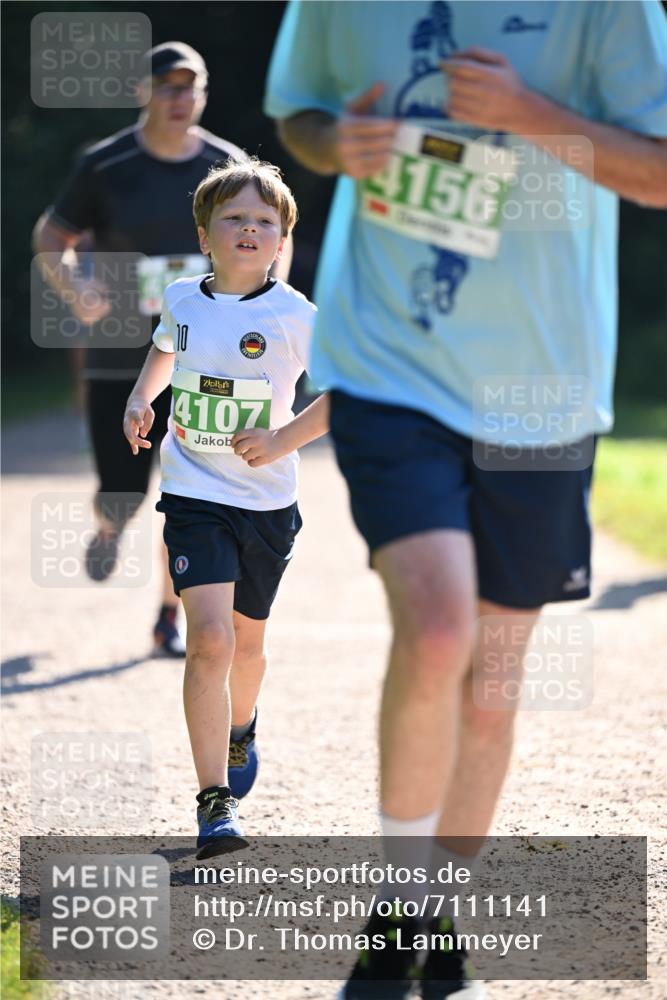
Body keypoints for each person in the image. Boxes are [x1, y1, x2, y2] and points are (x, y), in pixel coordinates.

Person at [265, 1, 667, 996]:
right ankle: (392, 927)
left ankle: (434, 914)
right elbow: (298, 117)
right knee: (438, 630)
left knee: (491, 684)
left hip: (544, 384)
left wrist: (528, 110)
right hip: (388, 361)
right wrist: (334, 142)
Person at [32, 42, 291, 657]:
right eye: (168, 86)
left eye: (192, 86)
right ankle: (109, 523)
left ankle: (167, 616)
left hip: (208, 353)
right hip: (123, 350)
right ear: (143, 91)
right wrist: (75, 284)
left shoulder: (228, 164)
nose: (181, 98)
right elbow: (52, 232)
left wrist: (272, 313)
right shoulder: (106, 164)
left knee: (194, 489)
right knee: (123, 487)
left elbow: (271, 233)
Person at [123, 158, 328, 857]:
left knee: (248, 647)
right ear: (205, 234)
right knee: (209, 639)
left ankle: (242, 727)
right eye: (234, 218)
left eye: (264, 222)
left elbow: (345, 392)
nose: (249, 229)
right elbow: (162, 350)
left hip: (267, 504)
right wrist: (141, 397)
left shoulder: (297, 316)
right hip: (193, 494)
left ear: (281, 240)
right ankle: (213, 803)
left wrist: (281, 439)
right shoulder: (181, 297)